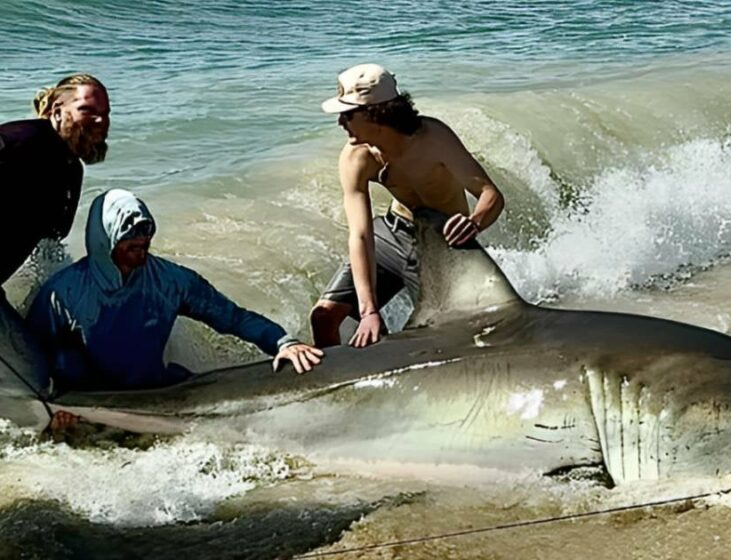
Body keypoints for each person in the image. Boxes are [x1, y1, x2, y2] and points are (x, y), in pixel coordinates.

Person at [26, 189, 323, 394]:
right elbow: (33, 357)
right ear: (105, 242)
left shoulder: (170, 281)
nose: (141, 248)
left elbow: (233, 318)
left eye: (145, 240)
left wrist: (283, 342)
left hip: (155, 389)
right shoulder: (62, 293)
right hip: (89, 398)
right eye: (130, 242)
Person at [312, 63, 505, 348]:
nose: (340, 122)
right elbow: (360, 235)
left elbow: (491, 195)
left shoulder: (434, 138)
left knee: (444, 338)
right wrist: (369, 311)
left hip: (442, 244)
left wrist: (474, 222)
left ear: (375, 113)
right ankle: (336, 385)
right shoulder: (355, 157)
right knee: (323, 317)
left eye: (348, 114)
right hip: (391, 234)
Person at [1, 73, 110, 288]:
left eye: (105, 113)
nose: (100, 120)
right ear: (57, 112)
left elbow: (49, 247)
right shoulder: (18, 141)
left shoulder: (71, 171)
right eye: (87, 110)